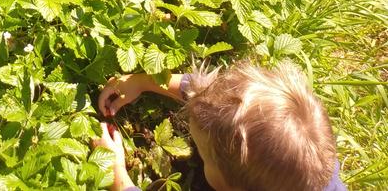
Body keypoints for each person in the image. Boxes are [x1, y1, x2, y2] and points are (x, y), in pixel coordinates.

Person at [95, 60, 348, 191]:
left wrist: (117, 174)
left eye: (205, 159)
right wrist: (144, 81)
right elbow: (210, 96)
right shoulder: (309, 159)